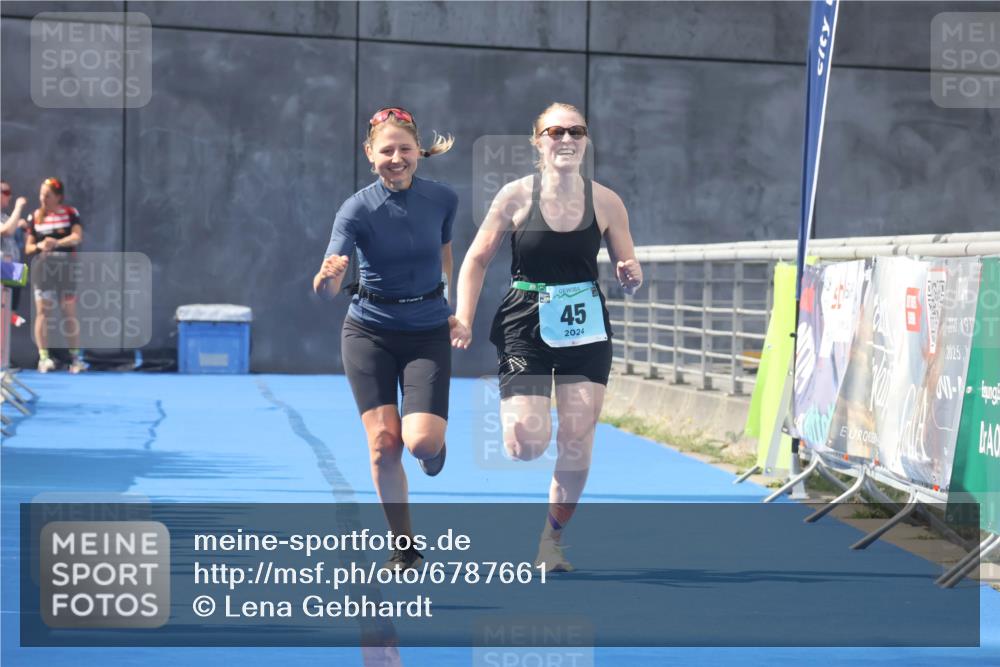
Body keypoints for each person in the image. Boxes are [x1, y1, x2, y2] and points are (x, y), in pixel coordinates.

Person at [451, 102, 643, 573]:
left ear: (585, 141)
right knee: (525, 443)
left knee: (577, 435)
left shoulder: (607, 202)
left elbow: (630, 271)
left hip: (584, 324)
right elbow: (475, 260)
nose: (566, 139)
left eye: (576, 131)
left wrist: (631, 274)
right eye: (555, 131)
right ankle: (524, 419)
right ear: (538, 141)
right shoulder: (515, 196)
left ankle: (550, 542)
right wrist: (464, 316)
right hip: (526, 320)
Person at [313, 106, 460, 571]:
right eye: (386, 151)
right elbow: (326, 289)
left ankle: (434, 450)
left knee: (420, 444)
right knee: (383, 444)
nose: (396, 158)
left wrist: (454, 306)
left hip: (427, 331)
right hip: (369, 331)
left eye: (404, 149)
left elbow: (445, 254)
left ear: (419, 151)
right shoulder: (356, 209)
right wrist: (328, 277)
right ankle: (404, 545)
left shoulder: (442, 199)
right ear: (369, 154)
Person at [24, 177, 87, 373]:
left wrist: (56, 243)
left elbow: (77, 237)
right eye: (41, 194)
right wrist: (39, 246)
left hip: (66, 270)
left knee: (69, 312)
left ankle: (75, 359)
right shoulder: (34, 217)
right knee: (43, 313)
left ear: (58, 197)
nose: (43, 198)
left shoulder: (70, 213)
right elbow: (28, 248)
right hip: (43, 272)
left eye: (48, 195)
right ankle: (44, 358)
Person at [0, 180, 29, 327]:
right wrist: (18, 208)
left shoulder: (5, 217)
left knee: (21, 273)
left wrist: (22, 228)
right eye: (5, 192)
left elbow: (23, 241)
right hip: (1, 268)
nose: (8, 196)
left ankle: (10, 312)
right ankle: (9, 313)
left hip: (8, 269)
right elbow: (5, 231)